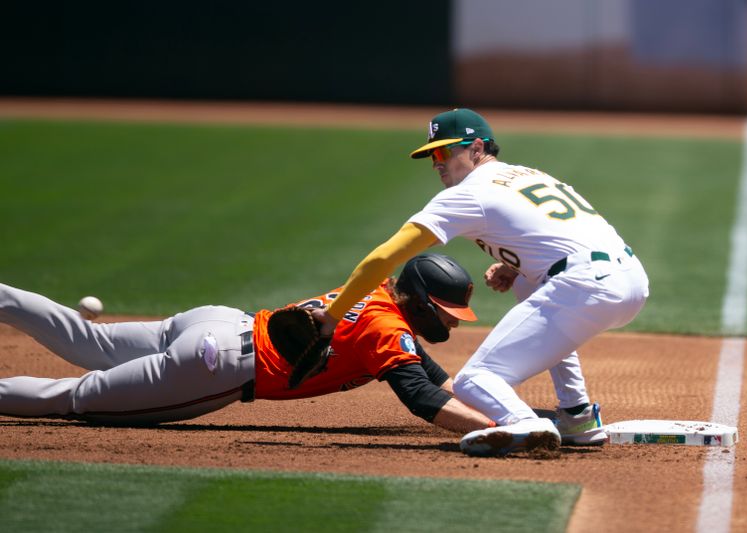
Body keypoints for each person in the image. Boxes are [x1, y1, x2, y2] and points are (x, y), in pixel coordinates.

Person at [311, 108, 650, 456]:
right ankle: (576, 415)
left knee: (474, 381)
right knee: (527, 285)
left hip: (585, 285)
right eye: (431, 155)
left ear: (476, 148)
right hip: (630, 279)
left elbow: (384, 259)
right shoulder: (527, 174)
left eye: (444, 152)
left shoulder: (467, 193)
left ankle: (524, 422)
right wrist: (515, 266)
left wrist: (333, 316)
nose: (436, 163)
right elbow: (561, 233)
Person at [0, 254, 494, 433]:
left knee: (84, 336)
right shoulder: (385, 329)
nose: (451, 326)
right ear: (421, 303)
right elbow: (423, 399)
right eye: (446, 315)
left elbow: (434, 377)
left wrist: (508, 419)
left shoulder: (376, 298)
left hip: (214, 323)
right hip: (214, 366)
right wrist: (494, 433)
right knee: (76, 399)